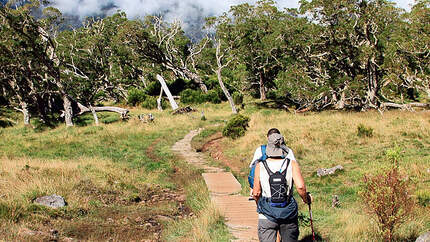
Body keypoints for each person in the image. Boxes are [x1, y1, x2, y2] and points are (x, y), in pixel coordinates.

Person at [252, 129, 312, 242]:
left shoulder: (260, 166)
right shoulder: (291, 164)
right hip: (288, 212)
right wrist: (306, 199)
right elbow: (301, 187)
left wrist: (259, 205)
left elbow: (256, 193)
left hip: (266, 213)